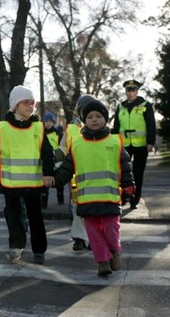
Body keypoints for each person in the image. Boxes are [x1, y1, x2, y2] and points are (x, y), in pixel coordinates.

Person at [53, 98, 135, 276]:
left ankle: (115, 251)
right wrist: (54, 180)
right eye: (90, 117)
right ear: (84, 120)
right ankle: (103, 262)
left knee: (112, 231)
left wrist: (129, 187)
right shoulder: (77, 144)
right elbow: (67, 169)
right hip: (86, 200)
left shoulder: (115, 141)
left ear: (105, 119)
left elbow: (125, 166)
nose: (94, 119)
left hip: (110, 198)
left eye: (98, 116)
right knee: (94, 234)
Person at [0, 85, 55, 265]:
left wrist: (49, 173)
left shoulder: (38, 127)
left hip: (33, 183)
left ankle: (39, 250)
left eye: (32, 103)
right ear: (15, 105)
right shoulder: (3, 128)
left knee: (36, 218)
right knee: (13, 216)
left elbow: (47, 153)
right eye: (26, 102)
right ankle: (16, 245)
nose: (30, 106)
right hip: (10, 184)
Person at [112, 79, 156, 210]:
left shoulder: (145, 105)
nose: (130, 93)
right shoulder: (121, 106)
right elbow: (116, 126)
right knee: (122, 172)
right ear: (125, 92)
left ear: (137, 91)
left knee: (138, 173)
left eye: (133, 90)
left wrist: (150, 142)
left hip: (141, 146)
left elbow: (151, 125)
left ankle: (134, 200)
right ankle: (124, 197)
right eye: (128, 90)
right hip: (124, 145)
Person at [59, 95, 95, 251]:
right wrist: (58, 168)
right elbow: (62, 148)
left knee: (94, 207)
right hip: (76, 176)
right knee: (77, 207)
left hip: (96, 174)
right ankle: (79, 238)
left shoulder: (99, 126)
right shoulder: (71, 129)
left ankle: (94, 238)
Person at [41, 111, 64, 208]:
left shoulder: (58, 134)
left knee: (59, 183)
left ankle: (60, 200)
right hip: (46, 160)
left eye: (50, 121)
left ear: (54, 122)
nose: (48, 123)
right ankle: (43, 204)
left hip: (57, 161)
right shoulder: (41, 134)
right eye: (46, 121)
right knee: (45, 184)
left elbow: (62, 146)